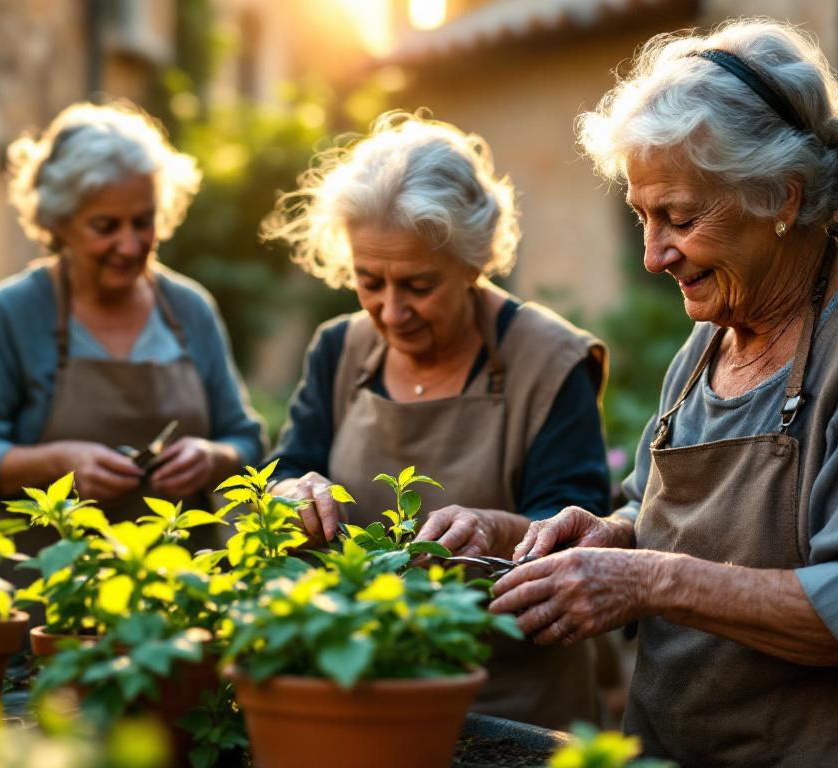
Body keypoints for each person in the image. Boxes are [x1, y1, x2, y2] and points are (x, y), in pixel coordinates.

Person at [490, 20, 838, 766]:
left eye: (680, 218)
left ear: (781, 198)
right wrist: (612, 535)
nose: (655, 255)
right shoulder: (709, 341)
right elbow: (654, 514)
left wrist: (650, 578)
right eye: (641, 218)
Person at [261, 111, 611, 729]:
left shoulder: (550, 362)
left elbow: (573, 528)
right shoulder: (338, 351)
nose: (391, 312)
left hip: (516, 707)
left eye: (419, 285)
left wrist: (494, 530)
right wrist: (291, 491)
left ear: (473, 263)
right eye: (369, 282)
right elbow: (291, 464)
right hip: (360, 690)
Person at [0, 101, 266, 535]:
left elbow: (247, 439)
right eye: (106, 226)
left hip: (183, 586)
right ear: (60, 221)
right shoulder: (14, 312)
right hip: (48, 585)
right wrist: (56, 463)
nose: (129, 246)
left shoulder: (189, 309)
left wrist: (212, 457)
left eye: (143, 222)